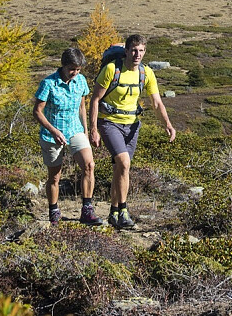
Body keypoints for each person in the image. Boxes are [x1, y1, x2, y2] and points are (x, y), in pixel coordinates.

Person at [89, 33, 176, 229]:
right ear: (127, 51)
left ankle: (113, 212)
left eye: (141, 51)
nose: (137, 54)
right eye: (134, 50)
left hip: (132, 125)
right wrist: (93, 129)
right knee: (124, 162)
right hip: (109, 122)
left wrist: (168, 125)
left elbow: (156, 102)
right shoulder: (112, 70)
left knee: (121, 169)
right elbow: (95, 100)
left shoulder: (146, 73)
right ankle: (124, 210)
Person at [33, 47, 100, 225]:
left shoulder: (81, 81)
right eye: (72, 69)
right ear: (63, 65)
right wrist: (54, 131)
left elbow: (81, 106)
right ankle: (53, 210)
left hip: (75, 129)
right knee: (55, 176)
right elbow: (37, 112)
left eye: (78, 69)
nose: (75, 73)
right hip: (52, 134)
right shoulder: (48, 84)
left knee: (89, 165)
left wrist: (86, 131)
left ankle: (87, 210)